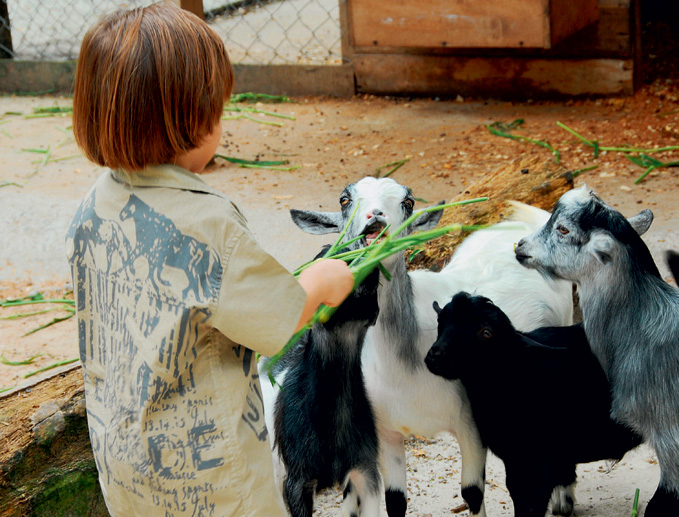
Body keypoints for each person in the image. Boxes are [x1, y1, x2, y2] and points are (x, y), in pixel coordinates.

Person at [65, 4, 354, 516]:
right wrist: (324, 277)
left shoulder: (94, 205)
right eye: (218, 109)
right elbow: (279, 315)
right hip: (207, 477)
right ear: (195, 122)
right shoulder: (207, 224)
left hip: (123, 458)